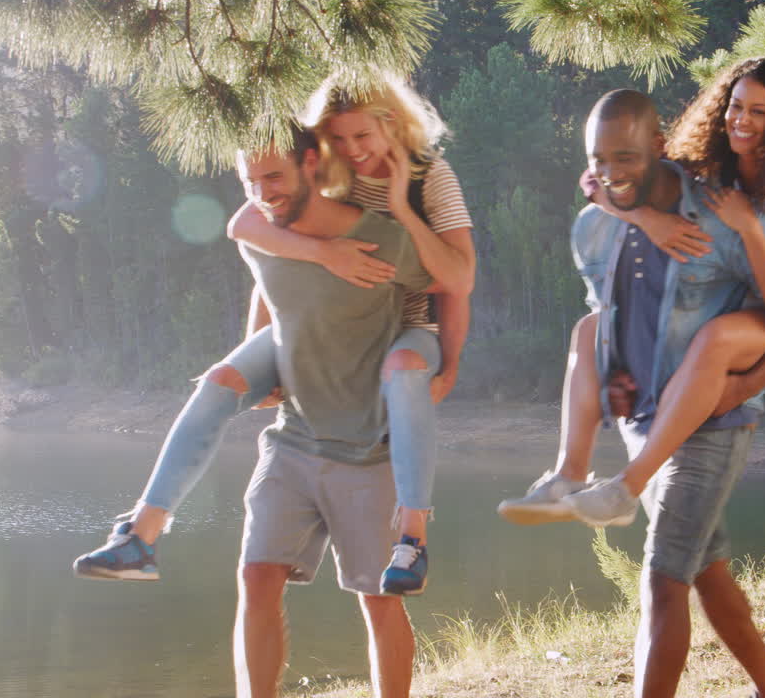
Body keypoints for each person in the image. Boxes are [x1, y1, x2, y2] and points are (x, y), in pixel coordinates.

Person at [72, 74, 476, 597]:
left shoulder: (429, 176)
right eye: (338, 138)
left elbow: (459, 280)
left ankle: (412, 540)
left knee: (403, 372)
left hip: (409, 321)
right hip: (321, 320)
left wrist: (450, 361)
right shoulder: (327, 167)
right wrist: (321, 257)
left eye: (362, 136)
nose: (351, 150)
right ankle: (140, 536)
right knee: (219, 381)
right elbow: (250, 228)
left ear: (392, 124)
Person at [498, 57, 765, 527]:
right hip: (718, 316)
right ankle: (568, 475)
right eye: (736, 106)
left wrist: (748, 229)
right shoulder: (704, 164)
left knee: (717, 336)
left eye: (758, 112)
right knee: (591, 329)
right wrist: (648, 220)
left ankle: (627, 487)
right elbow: (600, 180)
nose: (741, 120)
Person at [570, 89, 765, 697]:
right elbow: (605, 315)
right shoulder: (594, 225)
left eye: (625, 156)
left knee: (663, 576)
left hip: (712, 425)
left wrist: (762, 377)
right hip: (644, 421)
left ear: (658, 146)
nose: (610, 171)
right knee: (705, 569)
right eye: (599, 158)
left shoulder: (722, 214)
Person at [228, 124, 425, 697]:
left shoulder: (375, 236)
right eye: (250, 181)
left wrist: (441, 364)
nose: (263, 192)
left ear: (310, 162)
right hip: (291, 439)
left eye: (274, 176)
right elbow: (266, 280)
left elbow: (448, 281)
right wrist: (261, 354)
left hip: (368, 448)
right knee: (255, 576)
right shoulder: (263, 231)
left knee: (378, 598)